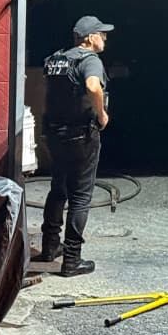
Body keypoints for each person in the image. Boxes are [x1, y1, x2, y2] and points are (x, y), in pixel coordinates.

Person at [33, 15, 113, 277]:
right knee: (80, 196)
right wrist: (101, 115)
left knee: (58, 188)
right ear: (90, 38)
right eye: (102, 34)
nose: (105, 38)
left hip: (54, 134)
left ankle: (49, 247)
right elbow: (92, 86)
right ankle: (71, 260)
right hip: (81, 135)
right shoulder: (90, 61)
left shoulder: (58, 58)